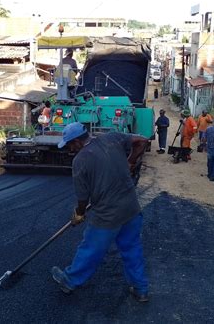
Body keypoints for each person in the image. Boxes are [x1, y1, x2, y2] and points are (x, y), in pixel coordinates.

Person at [51, 122, 150, 302]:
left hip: (107, 215)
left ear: (76, 142)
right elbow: (142, 141)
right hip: (131, 209)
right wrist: (131, 161)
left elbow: (83, 198)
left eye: (69, 145)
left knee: (90, 249)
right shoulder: (112, 138)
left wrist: (79, 213)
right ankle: (141, 289)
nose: (69, 149)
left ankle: (70, 280)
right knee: (132, 248)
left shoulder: (80, 160)